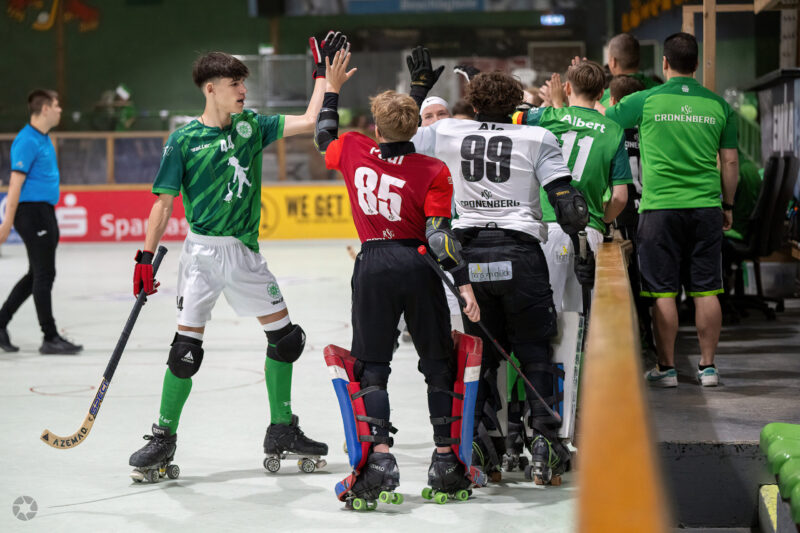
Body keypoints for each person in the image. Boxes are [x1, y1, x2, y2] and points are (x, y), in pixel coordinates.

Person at [127, 33, 350, 482]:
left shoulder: (252, 126)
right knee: (185, 352)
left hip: (245, 254)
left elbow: (311, 120)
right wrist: (145, 258)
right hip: (202, 254)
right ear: (211, 89)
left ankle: (281, 429)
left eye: (244, 83)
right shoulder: (183, 140)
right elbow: (163, 204)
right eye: (235, 84)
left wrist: (323, 78)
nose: (243, 91)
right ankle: (163, 437)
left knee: (286, 340)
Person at [314, 52, 481, 504]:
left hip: (373, 264)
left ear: (376, 128)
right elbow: (441, 237)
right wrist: (463, 283)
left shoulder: (353, 148)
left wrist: (331, 88)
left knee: (372, 366)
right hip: (419, 262)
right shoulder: (434, 170)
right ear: (416, 128)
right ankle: (445, 461)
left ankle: (381, 460)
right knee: (438, 363)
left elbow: (323, 135)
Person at [410, 64, 588, 485]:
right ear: (516, 104)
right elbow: (568, 207)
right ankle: (544, 442)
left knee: (483, 356)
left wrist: (418, 92)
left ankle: (480, 443)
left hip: (468, 255)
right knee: (534, 349)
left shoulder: (446, 130)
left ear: (473, 103)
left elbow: (399, 137)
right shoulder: (537, 137)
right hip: (521, 253)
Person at [605, 32, 738, 388]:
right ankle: (708, 367)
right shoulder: (719, 106)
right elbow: (729, 163)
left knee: (662, 292)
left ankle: (667, 368)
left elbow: (602, 116)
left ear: (664, 63)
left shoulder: (645, 99)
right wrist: (727, 205)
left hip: (659, 210)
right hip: (706, 207)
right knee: (706, 289)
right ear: (696, 64)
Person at [513, 60, 631, 313]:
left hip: (546, 226)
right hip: (589, 230)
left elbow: (509, 117)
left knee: (546, 313)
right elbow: (620, 197)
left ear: (567, 88)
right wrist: (602, 220)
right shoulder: (614, 131)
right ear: (601, 93)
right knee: (583, 316)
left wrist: (551, 104)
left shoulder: (546, 117)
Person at [0, 89, 83, 355]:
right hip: (32, 213)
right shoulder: (26, 140)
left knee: (36, 274)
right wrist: (6, 223)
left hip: (43, 211)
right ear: (45, 108)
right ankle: (50, 336)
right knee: (44, 274)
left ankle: (1, 322)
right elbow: (15, 183)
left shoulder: (43, 138)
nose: (60, 110)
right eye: (56, 105)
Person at [597, 33, 661, 111]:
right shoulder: (659, 90)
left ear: (613, 62)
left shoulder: (602, 98)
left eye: (609, 59)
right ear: (638, 59)